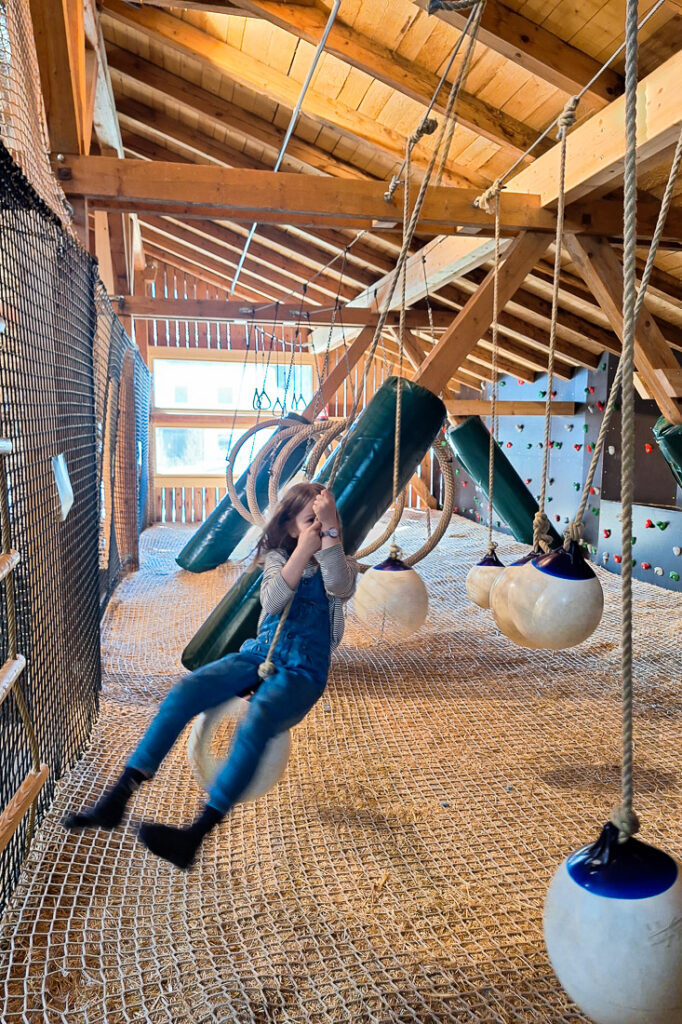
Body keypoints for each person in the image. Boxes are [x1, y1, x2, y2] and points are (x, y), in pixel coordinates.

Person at [63, 483, 357, 870]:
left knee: (259, 716)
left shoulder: (339, 562)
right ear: (289, 528)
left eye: (325, 525)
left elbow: (340, 585)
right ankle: (118, 797)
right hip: (260, 654)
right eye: (310, 523)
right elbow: (271, 603)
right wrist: (302, 552)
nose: (319, 531)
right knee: (187, 691)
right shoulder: (277, 560)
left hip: (304, 671)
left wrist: (331, 534)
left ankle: (196, 833)